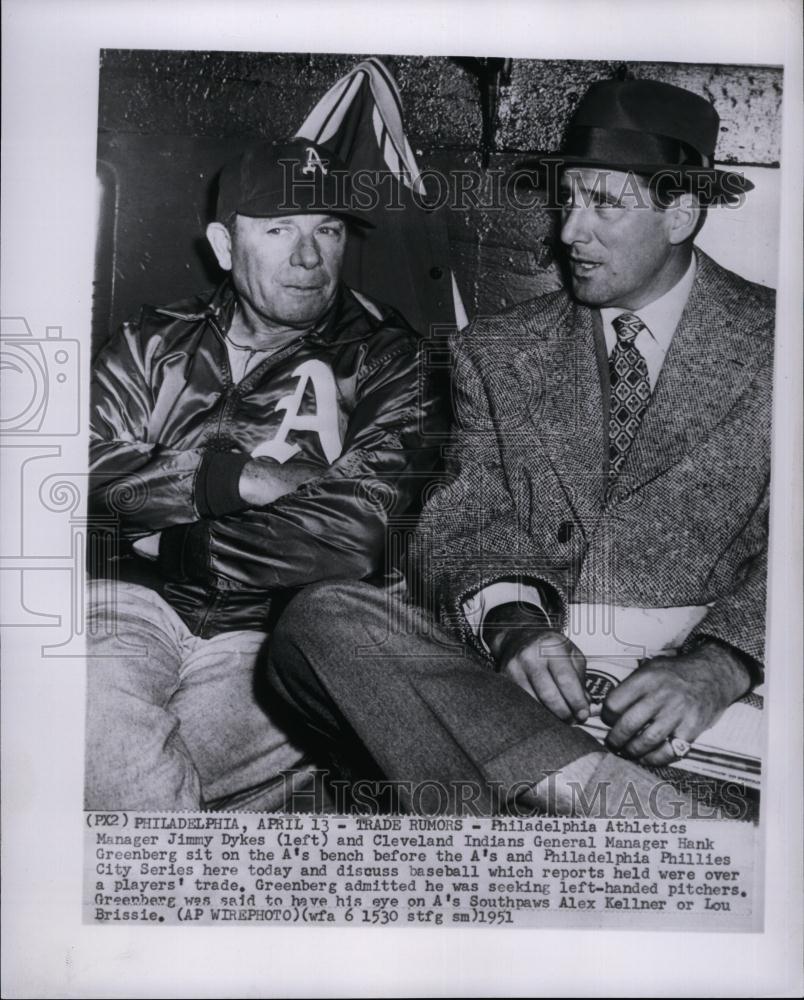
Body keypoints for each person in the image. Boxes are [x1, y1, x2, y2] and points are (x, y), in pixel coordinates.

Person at [266, 80, 773, 816]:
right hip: (513, 695)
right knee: (319, 621)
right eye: (568, 199)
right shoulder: (495, 350)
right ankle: (606, 801)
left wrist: (719, 666)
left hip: (707, 711)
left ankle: (525, 803)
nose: (570, 233)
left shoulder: (779, 343)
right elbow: (463, 515)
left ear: (680, 214)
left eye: (605, 203)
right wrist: (512, 624)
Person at [85, 139, 445, 811]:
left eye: (328, 230)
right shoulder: (153, 339)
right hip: (129, 607)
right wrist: (238, 479)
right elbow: (75, 471)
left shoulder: (390, 359)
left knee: (122, 786)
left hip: (279, 636)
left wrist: (178, 543)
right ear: (225, 245)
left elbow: (355, 533)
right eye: (280, 229)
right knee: (100, 736)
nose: (309, 258)